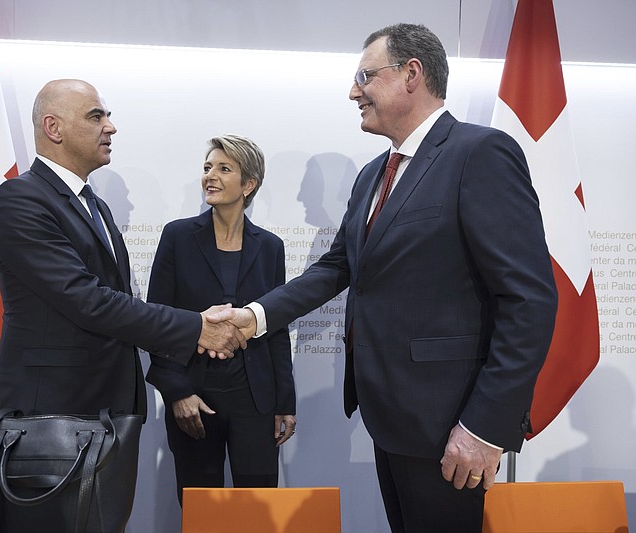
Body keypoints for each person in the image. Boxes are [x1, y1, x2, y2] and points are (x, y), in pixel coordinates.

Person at [211, 24, 558, 533]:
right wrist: (252, 317)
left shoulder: (479, 154)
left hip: (453, 427)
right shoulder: (374, 172)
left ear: (411, 75)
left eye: (365, 76)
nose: (354, 91)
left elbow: (529, 299)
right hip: (390, 419)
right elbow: (337, 268)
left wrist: (484, 427)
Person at [0, 79, 245, 529]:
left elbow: (117, 303)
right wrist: (196, 328)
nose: (111, 127)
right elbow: (88, 301)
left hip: (107, 415)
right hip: (54, 418)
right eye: (96, 116)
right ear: (54, 128)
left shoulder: (95, 207)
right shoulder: (20, 200)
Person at [146, 135, 296, 505]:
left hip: (256, 402)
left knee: (258, 510)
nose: (210, 176)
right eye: (207, 168)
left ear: (249, 184)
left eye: (224, 169)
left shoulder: (271, 246)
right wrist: (177, 392)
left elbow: (274, 328)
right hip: (195, 399)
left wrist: (285, 402)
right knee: (201, 509)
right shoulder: (178, 237)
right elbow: (157, 322)